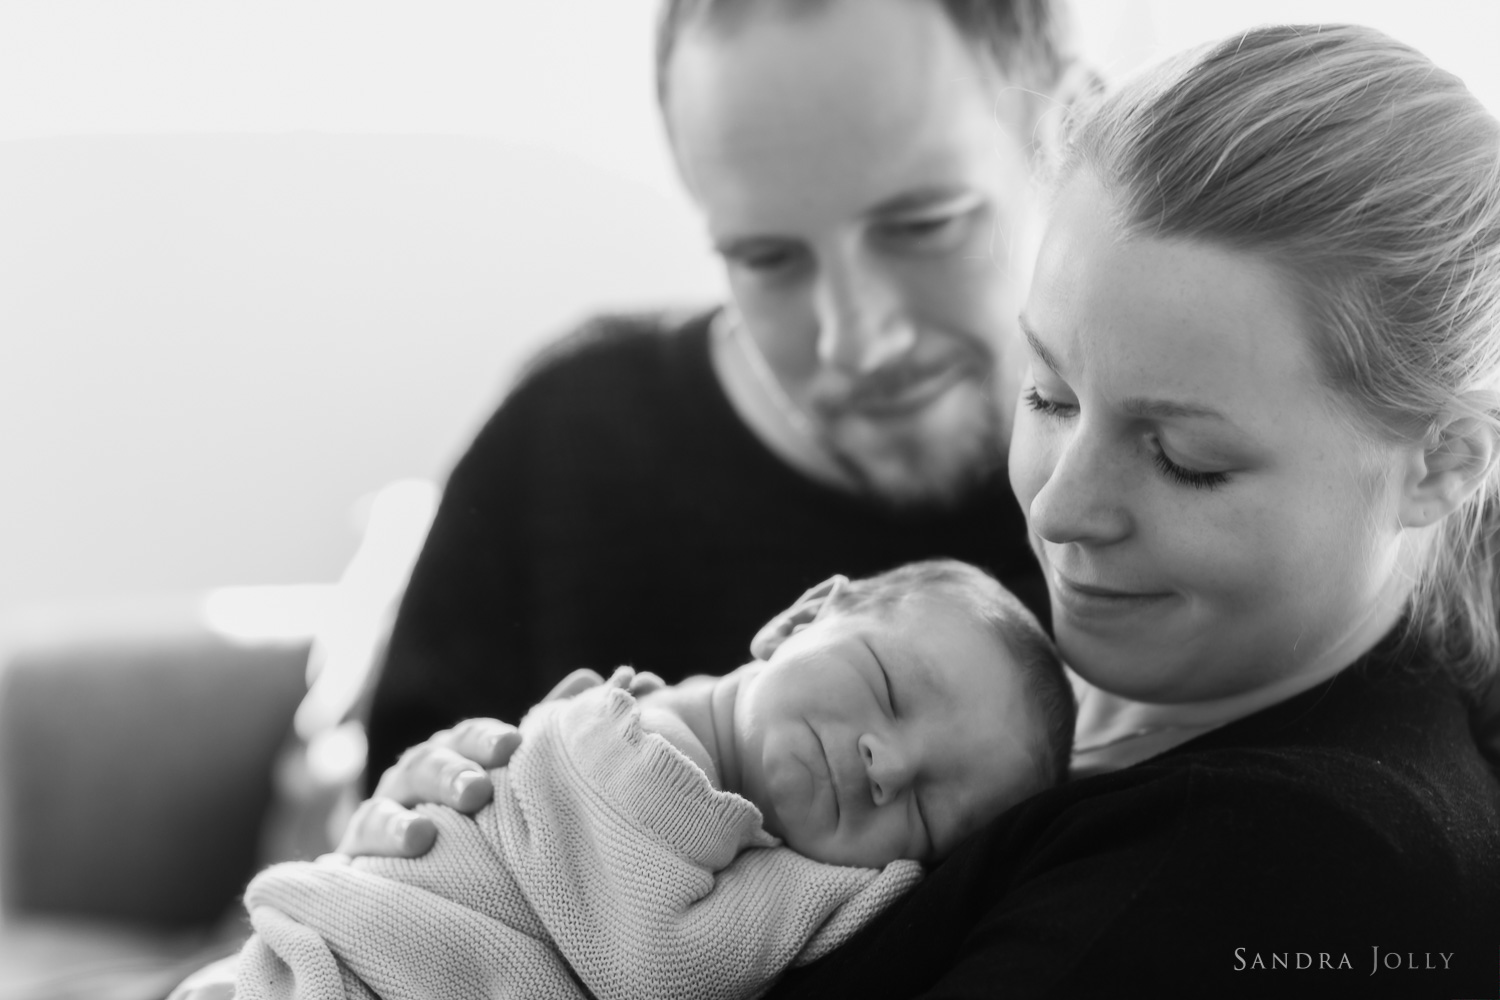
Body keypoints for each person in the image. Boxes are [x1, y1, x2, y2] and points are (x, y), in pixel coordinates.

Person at [347, 21, 1500, 999]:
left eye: (1186, 458)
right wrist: (467, 850)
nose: (1058, 507)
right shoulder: (1065, 688)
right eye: (1046, 392)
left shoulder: (1304, 866)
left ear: (1441, 464)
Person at [359, 0, 1085, 817]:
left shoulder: (1148, 508)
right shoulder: (563, 443)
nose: (858, 342)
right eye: (766, 259)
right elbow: (373, 839)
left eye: (923, 226)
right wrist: (406, 817)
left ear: (1071, 130)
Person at [227, 561, 1072, 999]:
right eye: (886, 690)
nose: (888, 766)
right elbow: (655, 971)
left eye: (926, 812)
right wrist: (869, 892)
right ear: (800, 618)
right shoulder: (639, 754)